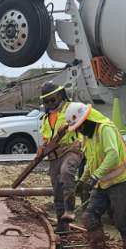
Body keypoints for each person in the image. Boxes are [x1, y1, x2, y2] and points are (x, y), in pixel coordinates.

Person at [68, 102, 126, 249]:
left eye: (80, 127)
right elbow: (91, 161)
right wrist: (82, 180)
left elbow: (113, 156)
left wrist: (95, 176)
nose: (79, 131)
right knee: (89, 216)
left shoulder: (105, 129)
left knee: (121, 219)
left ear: (88, 120)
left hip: (121, 180)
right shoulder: (87, 136)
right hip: (103, 182)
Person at [38, 88, 85, 229]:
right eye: (46, 101)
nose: (50, 103)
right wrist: (42, 147)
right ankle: (62, 226)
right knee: (57, 189)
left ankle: (70, 209)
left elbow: (82, 126)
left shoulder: (70, 110)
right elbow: (47, 138)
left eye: (52, 99)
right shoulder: (46, 118)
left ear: (60, 96)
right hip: (54, 155)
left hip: (71, 149)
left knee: (66, 172)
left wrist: (81, 141)